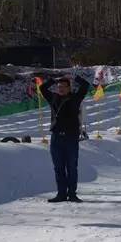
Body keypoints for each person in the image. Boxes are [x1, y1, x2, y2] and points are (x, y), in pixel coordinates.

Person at [40, 74, 90, 203]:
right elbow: (42, 88)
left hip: (71, 138)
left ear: (69, 88)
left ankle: (72, 193)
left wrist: (74, 77)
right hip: (56, 137)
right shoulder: (53, 98)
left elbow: (86, 86)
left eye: (63, 86)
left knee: (72, 167)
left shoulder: (75, 98)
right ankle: (61, 194)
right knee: (58, 167)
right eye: (59, 86)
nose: (60, 89)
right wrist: (53, 79)